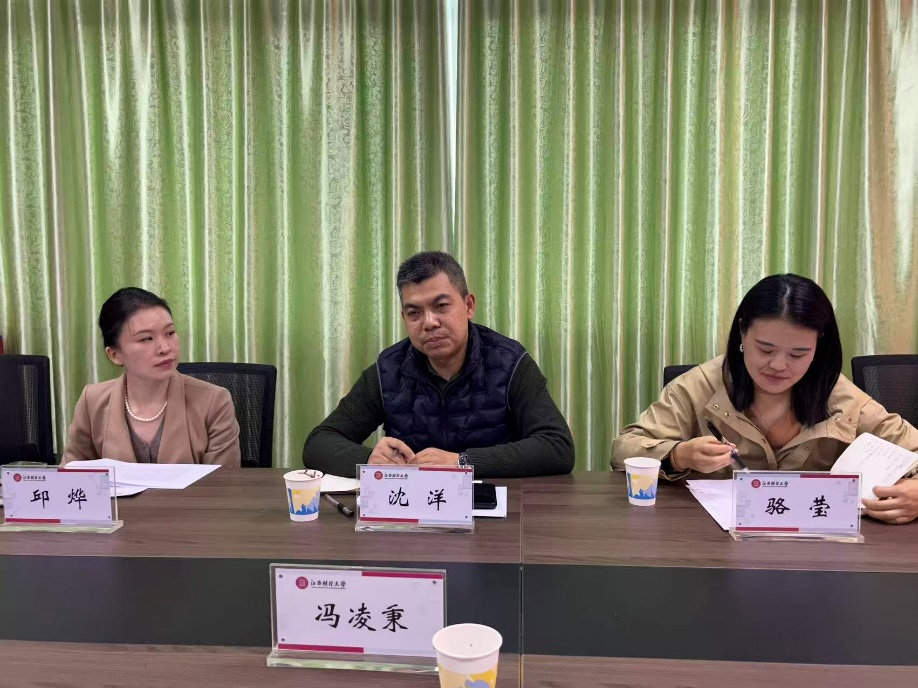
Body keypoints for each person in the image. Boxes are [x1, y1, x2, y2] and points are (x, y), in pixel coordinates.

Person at [611, 274, 918, 524]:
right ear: (742, 333)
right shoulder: (699, 386)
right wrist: (679, 455)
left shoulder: (839, 395)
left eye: (798, 354)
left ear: (818, 347)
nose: (778, 365)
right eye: (765, 349)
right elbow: (625, 449)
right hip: (713, 547)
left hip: (816, 550)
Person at [303, 251, 575, 478]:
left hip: (493, 509)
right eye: (414, 313)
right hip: (412, 511)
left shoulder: (510, 362)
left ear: (468, 306)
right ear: (404, 318)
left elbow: (557, 447)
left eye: (441, 306)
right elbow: (319, 443)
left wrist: (462, 462)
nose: (429, 322)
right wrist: (370, 460)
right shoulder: (388, 369)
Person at [61, 288, 240, 466]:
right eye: (146, 338)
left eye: (170, 333)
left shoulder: (214, 402)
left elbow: (223, 481)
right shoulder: (92, 401)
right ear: (115, 355)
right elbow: (71, 476)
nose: (165, 348)